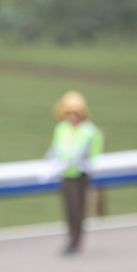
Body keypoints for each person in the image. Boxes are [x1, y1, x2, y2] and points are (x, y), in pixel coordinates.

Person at [45, 91, 103, 255]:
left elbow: (93, 156)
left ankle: (75, 242)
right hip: (64, 174)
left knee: (78, 209)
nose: (71, 115)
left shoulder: (90, 131)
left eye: (74, 112)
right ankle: (71, 240)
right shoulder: (61, 128)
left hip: (80, 174)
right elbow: (54, 150)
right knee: (69, 209)